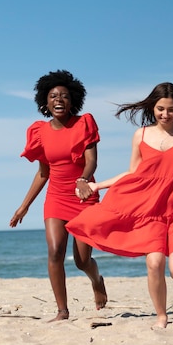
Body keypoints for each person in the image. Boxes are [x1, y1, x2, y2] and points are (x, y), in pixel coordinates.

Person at [65, 82, 173, 329]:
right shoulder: (141, 135)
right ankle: (161, 315)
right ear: (153, 107)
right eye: (161, 109)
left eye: (171, 109)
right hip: (149, 209)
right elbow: (132, 173)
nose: (166, 114)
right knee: (154, 263)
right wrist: (98, 186)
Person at [9, 70, 108, 322]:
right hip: (56, 197)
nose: (59, 99)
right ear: (45, 101)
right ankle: (62, 311)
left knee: (82, 261)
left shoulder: (84, 123)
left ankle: (97, 280)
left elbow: (91, 162)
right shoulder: (39, 132)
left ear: (73, 100)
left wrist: (83, 180)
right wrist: (24, 206)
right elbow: (43, 173)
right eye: (53, 96)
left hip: (84, 196)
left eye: (64, 95)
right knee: (55, 251)